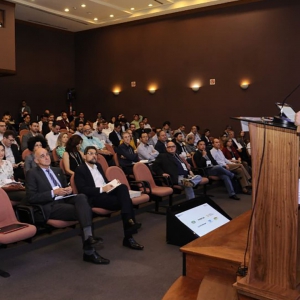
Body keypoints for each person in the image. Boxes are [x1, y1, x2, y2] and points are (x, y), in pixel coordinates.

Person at [26, 147, 108, 264]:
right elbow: (31, 198)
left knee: (81, 197)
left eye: (47, 154)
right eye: (42, 156)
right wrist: (53, 192)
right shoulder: (32, 174)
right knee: (84, 210)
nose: (46, 157)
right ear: (36, 161)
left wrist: (68, 190)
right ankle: (89, 249)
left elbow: (64, 187)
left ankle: (89, 242)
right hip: (50, 205)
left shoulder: (57, 170)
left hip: (64, 200)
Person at [74, 146, 144, 250]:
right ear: (84, 156)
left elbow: (104, 181)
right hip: (96, 197)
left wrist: (112, 184)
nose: (94, 156)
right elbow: (83, 189)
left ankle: (129, 223)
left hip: (107, 192)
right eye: (90, 153)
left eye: (95, 154)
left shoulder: (98, 166)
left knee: (123, 187)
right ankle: (129, 234)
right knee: (127, 201)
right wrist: (103, 189)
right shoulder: (80, 169)